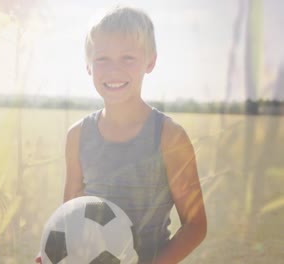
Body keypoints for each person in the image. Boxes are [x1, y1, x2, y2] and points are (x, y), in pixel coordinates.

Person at [36, 5, 206, 264]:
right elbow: (71, 219)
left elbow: (195, 225)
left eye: (127, 57)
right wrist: (54, 256)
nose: (114, 70)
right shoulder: (78, 136)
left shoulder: (169, 136)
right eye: (102, 58)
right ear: (88, 66)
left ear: (150, 61)